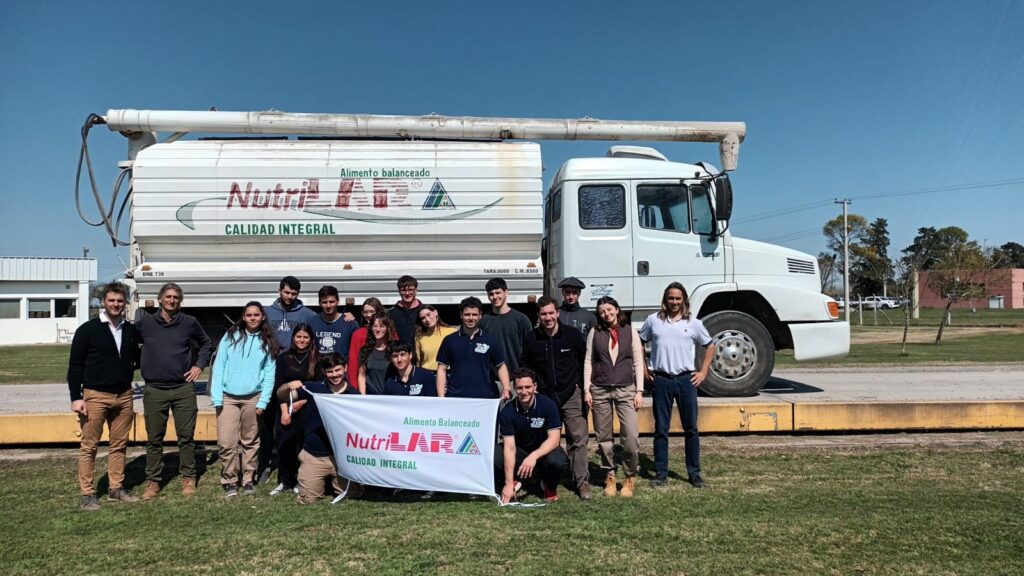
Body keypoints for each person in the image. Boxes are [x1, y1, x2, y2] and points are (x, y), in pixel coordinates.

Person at [67, 282, 142, 510]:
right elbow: (75, 365)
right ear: (103, 302)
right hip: (95, 396)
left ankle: (116, 488)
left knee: (119, 445)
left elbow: (137, 359)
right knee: (89, 446)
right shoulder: (87, 330)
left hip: (124, 395)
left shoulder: (130, 330)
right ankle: (88, 494)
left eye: (120, 301)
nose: (116, 304)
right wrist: (76, 397)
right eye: (112, 300)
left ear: (125, 303)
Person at [137, 282, 213, 500]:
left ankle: (188, 477)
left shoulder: (189, 322)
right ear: (160, 299)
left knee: (186, 437)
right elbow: (130, 343)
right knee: (154, 438)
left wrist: (199, 365)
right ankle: (153, 481)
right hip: (154, 389)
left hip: (183, 389)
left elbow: (206, 343)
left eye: (176, 298)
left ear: (180, 301)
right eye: (168, 297)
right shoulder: (145, 323)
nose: (172, 301)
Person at [640, 282, 715, 489]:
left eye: (678, 298)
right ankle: (661, 473)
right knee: (661, 429)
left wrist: (703, 372)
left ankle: (694, 473)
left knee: (691, 428)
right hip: (661, 380)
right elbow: (639, 341)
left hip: (686, 380)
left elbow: (710, 346)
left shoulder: (694, 323)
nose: (674, 302)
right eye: (671, 298)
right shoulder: (653, 320)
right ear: (665, 300)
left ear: (684, 301)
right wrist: (645, 370)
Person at [518, 296, 591, 500]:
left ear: (557, 313)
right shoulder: (531, 338)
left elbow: (583, 361)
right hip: (545, 398)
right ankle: (543, 479)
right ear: (538, 316)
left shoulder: (572, 335)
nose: (548, 317)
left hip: (571, 395)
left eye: (551, 313)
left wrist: (580, 385)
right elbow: (525, 366)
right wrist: (535, 390)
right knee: (543, 440)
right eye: (543, 314)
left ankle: (582, 482)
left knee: (578, 440)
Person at [211, 302, 278, 497]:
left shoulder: (267, 341)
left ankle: (248, 478)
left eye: (256, 315)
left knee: (250, 440)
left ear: (262, 317)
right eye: (249, 315)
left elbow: (269, 373)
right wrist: (217, 397)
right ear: (244, 316)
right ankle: (230, 479)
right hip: (227, 397)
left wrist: (263, 400)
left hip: (253, 397)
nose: (253, 318)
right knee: (226, 441)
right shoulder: (230, 336)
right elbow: (219, 366)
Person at [277, 353, 361, 504]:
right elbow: (281, 395)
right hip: (314, 455)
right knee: (308, 500)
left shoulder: (354, 396)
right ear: (324, 372)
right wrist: (288, 386)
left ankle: (334, 483)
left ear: (345, 368)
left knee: (352, 495)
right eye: (330, 371)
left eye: (338, 370)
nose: (334, 375)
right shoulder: (314, 388)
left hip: (342, 458)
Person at [583, 295, 644, 498]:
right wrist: (586, 389)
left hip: (626, 388)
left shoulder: (630, 331)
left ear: (617, 309)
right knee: (604, 438)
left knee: (631, 436)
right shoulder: (595, 332)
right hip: (600, 389)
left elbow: (637, 361)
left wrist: (639, 391)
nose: (606, 314)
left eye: (609, 310)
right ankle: (609, 474)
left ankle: (630, 475)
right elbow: (588, 362)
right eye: (602, 312)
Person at [496, 367, 567, 503]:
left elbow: (554, 439)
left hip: (544, 451)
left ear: (535, 386)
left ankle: (549, 486)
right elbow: (510, 448)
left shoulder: (548, 405)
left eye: (528, 387)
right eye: (520, 388)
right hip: (520, 452)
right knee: (496, 455)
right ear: (515, 388)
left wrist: (534, 456)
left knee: (557, 461)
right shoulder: (508, 411)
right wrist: (509, 483)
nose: (524, 392)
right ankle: (511, 482)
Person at [269, 323, 322, 496]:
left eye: (305, 337)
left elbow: (318, 387)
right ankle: (285, 480)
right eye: (299, 336)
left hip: (307, 408)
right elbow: (278, 387)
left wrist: (301, 403)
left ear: (311, 340)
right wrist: (285, 411)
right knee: (285, 444)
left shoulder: (317, 359)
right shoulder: (284, 358)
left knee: (302, 445)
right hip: (285, 408)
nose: (302, 340)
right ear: (293, 338)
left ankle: (300, 480)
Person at [436, 296, 510, 400]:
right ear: (461, 315)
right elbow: (442, 369)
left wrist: (506, 388)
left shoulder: (490, 340)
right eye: (467, 314)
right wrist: (441, 398)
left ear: (480, 315)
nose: (471, 318)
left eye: (474, 314)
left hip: (484, 398)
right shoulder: (449, 340)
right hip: (456, 397)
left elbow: (501, 366)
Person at [480, 277, 533, 373]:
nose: (495, 297)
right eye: (491, 294)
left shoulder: (521, 320)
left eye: (498, 292)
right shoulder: (483, 321)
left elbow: (530, 349)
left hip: (517, 376)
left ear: (506, 292)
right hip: (492, 378)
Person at [265, 276, 317, 351]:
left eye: (293, 294)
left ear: (298, 293)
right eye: (286, 292)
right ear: (279, 291)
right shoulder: (266, 312)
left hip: (295, 359)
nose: (290, 296)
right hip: (271, 357)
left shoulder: (308, 314)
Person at [309, 285, 358, 356]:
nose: (328, 306)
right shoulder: (312, 322)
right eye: (324, 302)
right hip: (319, 366)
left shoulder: (349, 323)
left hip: (341, 366)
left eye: (331, 302)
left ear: (338, 301)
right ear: (319, 303)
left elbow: (357, 350)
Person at [347, 297, 385, 389]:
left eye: (372, 311)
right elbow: (353, 362)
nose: (368, 315)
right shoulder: (358, 334)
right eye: (365, 312)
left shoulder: (388, 331)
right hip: (366, 385)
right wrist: (354, 387)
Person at [358, 313, 399, 395]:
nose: (378, 329)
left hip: (391, 396)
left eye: (382, 326)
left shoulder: (394, 349)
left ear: (388, 328)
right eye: (375, 326)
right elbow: (361, 376)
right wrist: (362, 397)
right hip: (371, 396)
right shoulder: (365, 350)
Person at [414, 304, 455, 372]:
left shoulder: (452, 332)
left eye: (428, 315)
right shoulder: (419, 337)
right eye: (423, 318)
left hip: (448, 374)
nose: (427, 319)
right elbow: (418, 362)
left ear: (436, 312)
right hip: (427, 375)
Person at [387, 275, 423, 346]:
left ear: (416, 290)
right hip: (400, 354)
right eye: (403, 290)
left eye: (410, 290)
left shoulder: (424, 311)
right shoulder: (391, 314)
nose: (407, 293)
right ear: (399, 291)